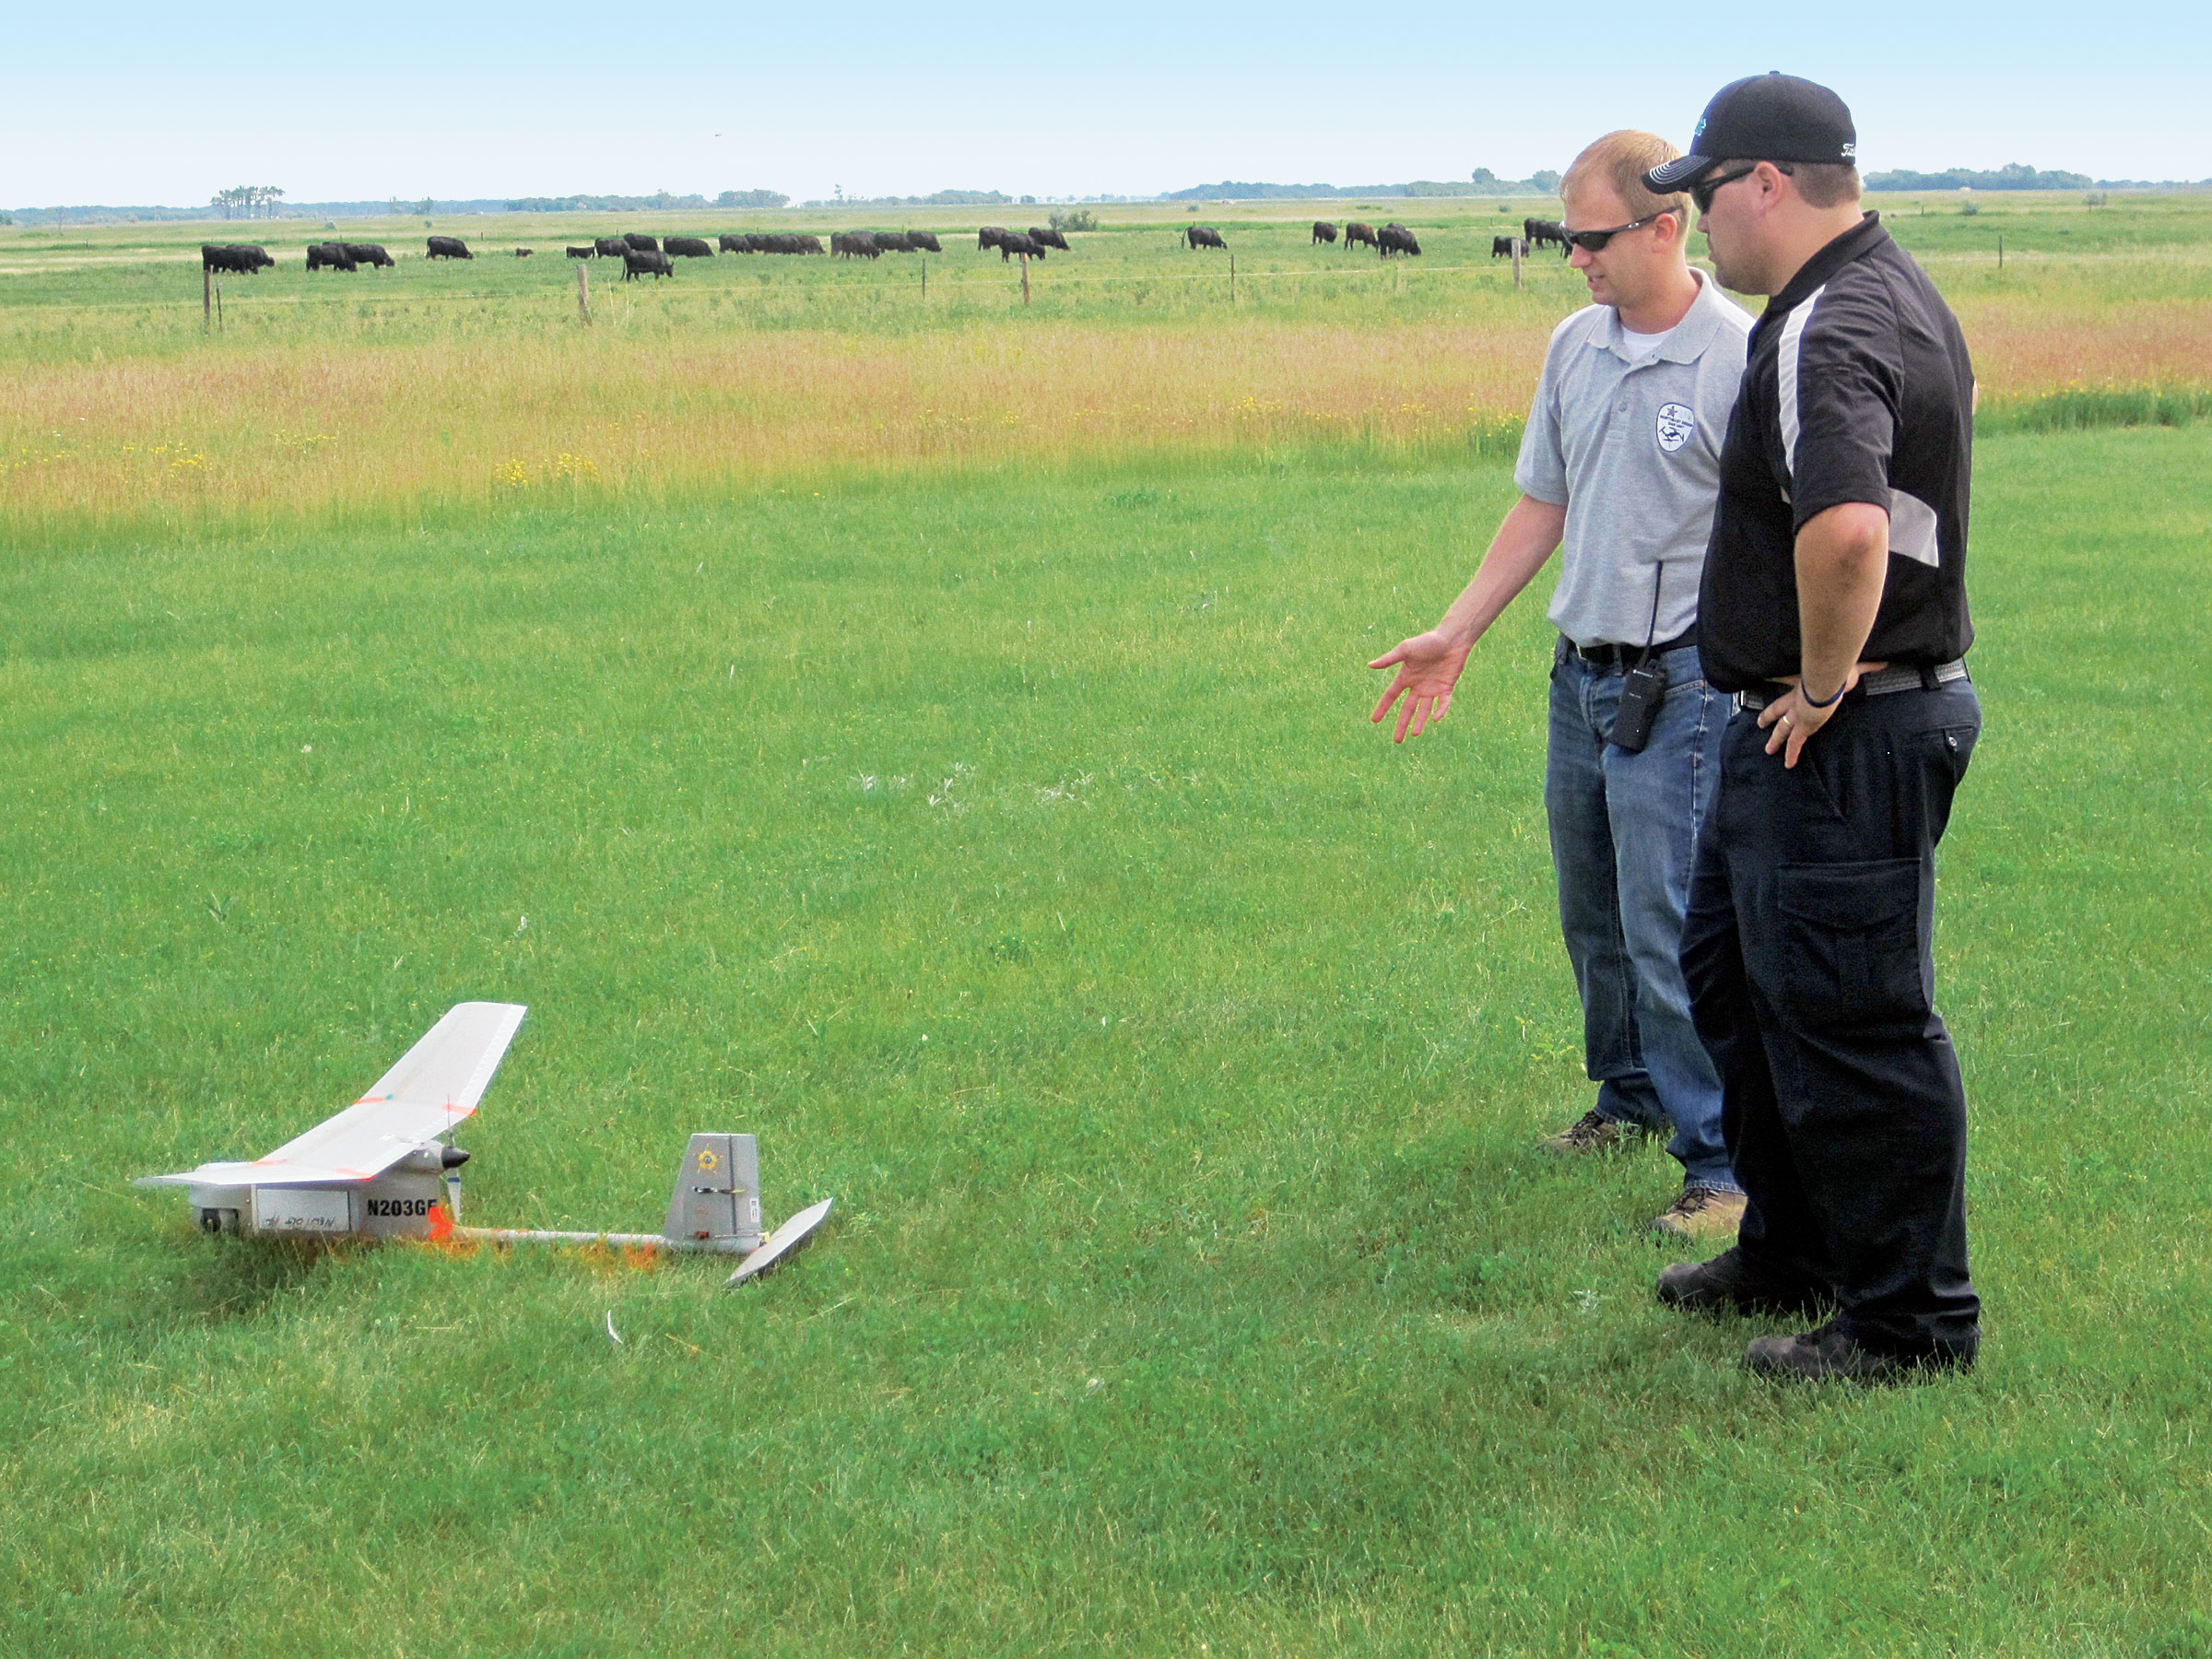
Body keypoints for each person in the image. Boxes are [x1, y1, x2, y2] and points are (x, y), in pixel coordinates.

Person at [1642, 74, 1984, 1381]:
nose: (1701, 220)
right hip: (1812, 726)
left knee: (1854, 1021)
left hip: (1843, 730)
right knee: (1740, 986)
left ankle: (1909, 1325)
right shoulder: (1887, 293)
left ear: (1767, 184)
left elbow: (1849, 529)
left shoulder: (1827, 325)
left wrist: (1827, 683)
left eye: (1707, 192)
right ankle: (1789, 1248)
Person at [1369, 131, 1755, 1241]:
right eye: (1567, 239)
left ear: (1665, 226)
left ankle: (1724, 1168)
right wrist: (1457, 632)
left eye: (1590, 239)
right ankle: (1628, 1098)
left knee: (1668, 923)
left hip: (1683, 684)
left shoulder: (1738, 357)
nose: (1572, 257)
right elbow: (1545, 501)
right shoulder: (1574, 347)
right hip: (1580, 678)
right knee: (1594, 914)